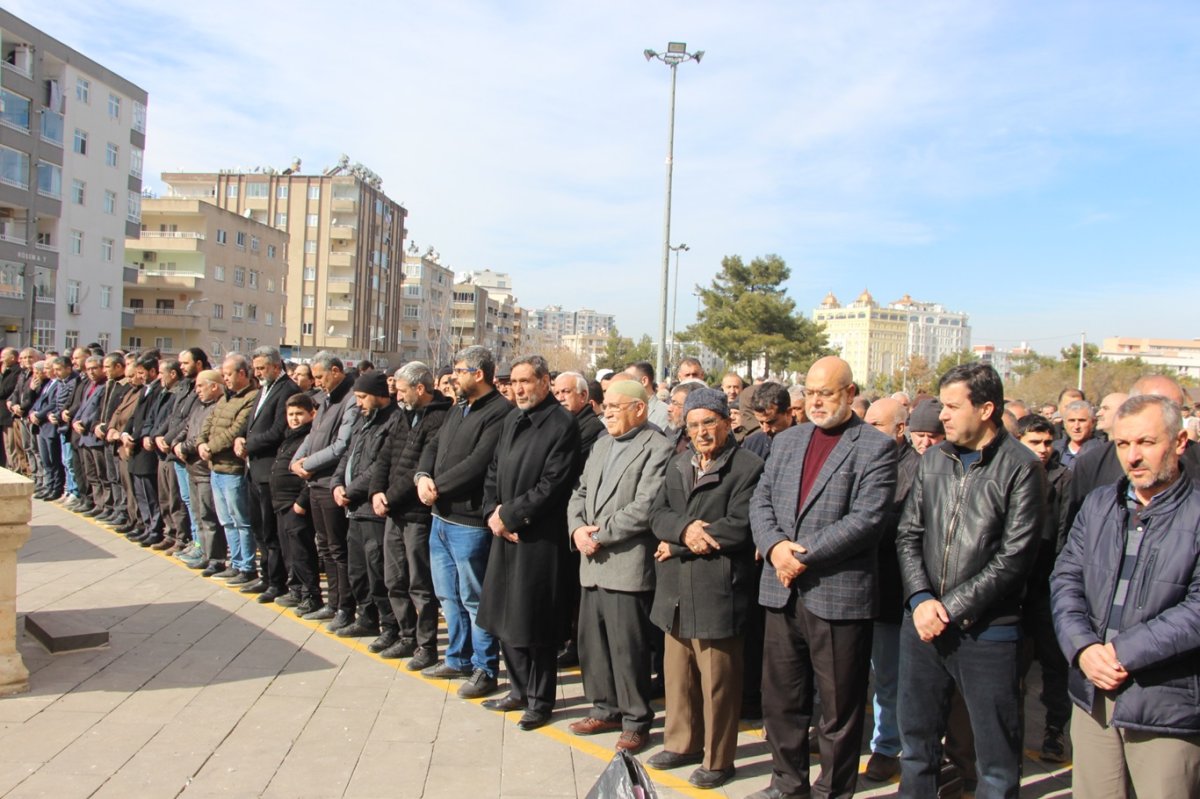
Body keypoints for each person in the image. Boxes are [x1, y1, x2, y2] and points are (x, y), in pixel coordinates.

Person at [747, 356, 898, 799]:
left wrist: (802, 557)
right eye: (810, 392)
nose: (815, 401)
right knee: (781, 702)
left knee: (838, 710)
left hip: (837, 593)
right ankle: (787, 784)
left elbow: (867, 520)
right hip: (781, 589)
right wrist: (775, 547)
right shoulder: (789, 440)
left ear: (850, 393)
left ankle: (832, 791)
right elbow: (762, 501)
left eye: (826, 393)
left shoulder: (874, 446)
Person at [895, 363, 1046, 798]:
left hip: (988, 633)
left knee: (995, 764)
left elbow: (1014, 558)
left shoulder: (1021, 467)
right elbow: (908, 534)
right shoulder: (934, 460)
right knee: (917, 749)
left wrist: (948, 608)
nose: (941, 415)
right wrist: (922, 598)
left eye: (952, 406)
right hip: (922, 625)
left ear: (986, 409)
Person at [1051, 394, 1200, 798]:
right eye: (1122, 444)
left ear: (1180, 442)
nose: (1132, 456)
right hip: (1093, 694)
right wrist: (1082, 648)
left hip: (1165, 702)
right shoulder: (1100, 504)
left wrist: (1120, 653)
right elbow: (1066, 579)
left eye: (1146, 443)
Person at [646, 387, 764, 789]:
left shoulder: (748, 466)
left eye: (709, 422)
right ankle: (681, 744)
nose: (701, 432)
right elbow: (657, 513)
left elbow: (741, 525)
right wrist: (681, 529)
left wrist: (678, 541)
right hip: (676, 588)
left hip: (718, 586)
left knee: (718, 682)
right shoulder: (679, 463)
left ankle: (718, 758)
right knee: (677, 676)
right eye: (694, 425)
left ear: (727, 423)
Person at [564, 379, 673, 753]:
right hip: (591, 560)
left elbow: (645, 507)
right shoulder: (601, 443)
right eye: (605, 406)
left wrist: (600, 535)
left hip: (625, 563)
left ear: (639, 409)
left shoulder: (657, 447)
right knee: (592, 645)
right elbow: (578, 492)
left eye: (615, 406)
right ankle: (604, 708)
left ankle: (636, 719)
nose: (606, 411)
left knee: (629, 648)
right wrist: (577, 529)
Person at [477, 355, 581, 729]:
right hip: (505, 534)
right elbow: (493, 470)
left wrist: (509, 515)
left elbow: (553, 484)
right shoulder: (511, 419)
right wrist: (493, 512)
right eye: (514, 381)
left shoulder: (562, 424)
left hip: (538, 537)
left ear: (544, 382)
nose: (518, 388)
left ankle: (540, 700)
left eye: (526, 381)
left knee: (536, 622)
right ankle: (518, 690)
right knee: (506, 618)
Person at [415, 346, 509, 696]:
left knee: (474, 598)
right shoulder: (458, 408)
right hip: (440, 517)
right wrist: (423, 476)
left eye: (459, 370)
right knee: (448, 595)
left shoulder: (499, 412)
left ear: (479, 373)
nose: (454, 376)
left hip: (468, 523)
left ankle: (485, 667)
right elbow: (433, 445)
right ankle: (458, 657)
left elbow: (477, 463)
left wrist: (437, 486)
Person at [370, 362, 452, 667]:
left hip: (416, 513)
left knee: (419, 583)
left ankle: (425, 645)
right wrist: (376, 491)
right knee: (394, 579)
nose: (398, 396)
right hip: (392, 510)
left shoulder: (440, 418)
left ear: (420, 388)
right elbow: (386, 456)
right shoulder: (403, 415)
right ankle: (405, 636)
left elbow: (418, 468)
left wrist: (388, 498)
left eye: (403, 390)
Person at [861, 397, 919, 783]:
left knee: (888, 678)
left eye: (877, 425)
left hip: (890, 588)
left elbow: (900, 528)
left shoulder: (918, 470)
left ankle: (887, 747)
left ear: (900, 429)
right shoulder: (860, 458)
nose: (868, 432)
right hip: (852, 586)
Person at [1015, 414, 1073, 763]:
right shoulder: (1013, 473)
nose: (1043, 449)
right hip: (1015, 588)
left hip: (1048, 590)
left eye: (1048, 443)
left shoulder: (1063, 479)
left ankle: (1054, 730)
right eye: (1034, 443)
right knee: (1012, 671)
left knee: (1054, 665)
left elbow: (1066, 536)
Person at [331, 371, 404, 646]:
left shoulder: (394, 421)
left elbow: (380, 465)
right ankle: (366, 615)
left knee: (378, 570)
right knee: (357, 569)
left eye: (362, 397)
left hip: (372, 508)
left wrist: (352, 490)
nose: (358, 403)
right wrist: (338, 483)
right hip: (353, 509)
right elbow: (349, 456)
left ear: (379, 395)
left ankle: (389, 625)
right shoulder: (364, 421)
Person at [290, 352, 358, 624]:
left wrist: (310, 463)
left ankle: (345, 606)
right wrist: (297, 461)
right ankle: (332, 603)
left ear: (335, 371)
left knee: (338, 548)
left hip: (330, 481)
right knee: (326, 548)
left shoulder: (350, 399)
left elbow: (341, 445)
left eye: (320, 377)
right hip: (315, 481)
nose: (317, 382)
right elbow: (312, 434)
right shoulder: (325, 399)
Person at [237, 346, 300, 602]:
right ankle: (265, 577)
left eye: (262, 368)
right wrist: (241, 437)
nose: (258, 373)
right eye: (256, 368)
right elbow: (251, 423)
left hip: (270, 470)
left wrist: (249, 444)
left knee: (272, 531)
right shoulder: (263, 388)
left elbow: (277, 431)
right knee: (258, 527)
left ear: (276, 366)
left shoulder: (287, 391)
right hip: (254, 469)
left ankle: (277, 582)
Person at [199, 354, 260, 584]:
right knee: (226, 520)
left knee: (241, 520)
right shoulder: (225, 398)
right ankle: (235, 563)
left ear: (242, 374)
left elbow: (235, 430)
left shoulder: (251, 398)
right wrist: (201, 444)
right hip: (216, 467)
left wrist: (210, 448)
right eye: (223, 375)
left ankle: (247, 566)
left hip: (233, 469)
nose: (225, 379)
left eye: (228, 374)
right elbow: (209, 423)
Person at [271, 392, 319, 613]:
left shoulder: (310, 438)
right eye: (290, 414)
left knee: (302, 552)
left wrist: (301, 501)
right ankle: (296, 590)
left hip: (296, 504)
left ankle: (311, 595)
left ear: (312, 414)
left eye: (299, 414)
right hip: (281, 503)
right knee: (289, 552)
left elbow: (311, 475)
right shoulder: (289, 435)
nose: (294, 418)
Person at [743, 382, 794, 460]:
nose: (765, 429)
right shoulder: (751, 445)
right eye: (761, 422)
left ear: (788, 412)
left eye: (771, 422)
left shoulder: (805, 443)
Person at [1054, 400, 1098, 469]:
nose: (1076, 426)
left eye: (1082, 420)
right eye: (1072, 421)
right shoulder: (1054, 450)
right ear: (1065, 424)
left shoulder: (1101, 451)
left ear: (1092, 423)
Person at [625, 361, 670, 430]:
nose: (623, 386)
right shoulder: (623, 409)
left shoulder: (665, 412)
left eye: (628, 382)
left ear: (644, 381)